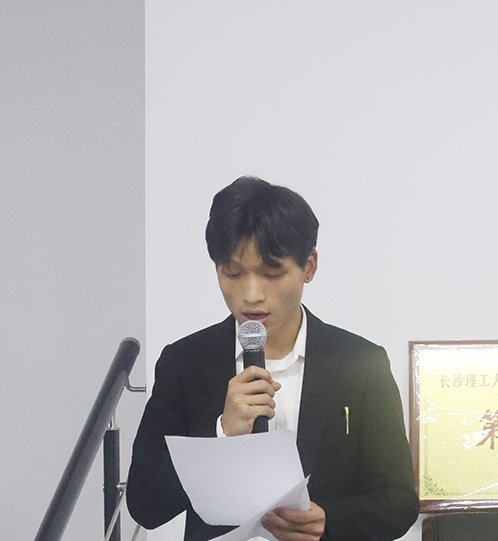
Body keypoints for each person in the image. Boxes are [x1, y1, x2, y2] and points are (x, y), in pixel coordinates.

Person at [128, 176, 419, 541]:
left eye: (271, 273)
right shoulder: (186, 363)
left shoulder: (360, 364)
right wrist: (221, 434)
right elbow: (144, 503)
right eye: (232, 272)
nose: (251, 295)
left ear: (309, 266)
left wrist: (329, 521)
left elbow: (398, 501)